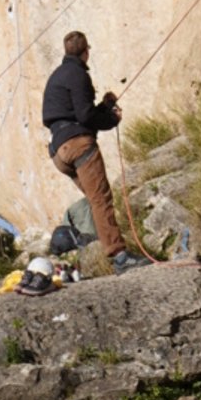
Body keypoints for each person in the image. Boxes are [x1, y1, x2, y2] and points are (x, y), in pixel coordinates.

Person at [41, 29, 149, 271]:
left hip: (59, 152)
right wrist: (111, 119)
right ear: (86, 52)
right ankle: (119, 256)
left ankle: (96, 250)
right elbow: (85, 115)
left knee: (93, 199)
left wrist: (105, 107)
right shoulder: (78, 74)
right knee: (101, 199)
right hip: (79, 145)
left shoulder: (56, 77)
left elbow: (75, 112)